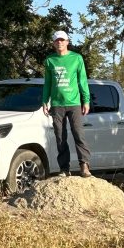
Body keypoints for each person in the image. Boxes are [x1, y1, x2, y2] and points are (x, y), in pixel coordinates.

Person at [41, 30, 92, 177]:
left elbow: (82, 80)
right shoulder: (50, 60)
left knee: (78, 134)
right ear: (53, 43)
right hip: (57, 104)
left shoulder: (76, 58)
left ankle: (84, 165)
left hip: (74, 102)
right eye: (57, 40)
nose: (60, 43)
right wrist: (45, 101)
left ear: (67, 42)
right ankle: (64, 168)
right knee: (60, 137)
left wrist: (86, 100)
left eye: (62, 40)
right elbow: (48, 83)